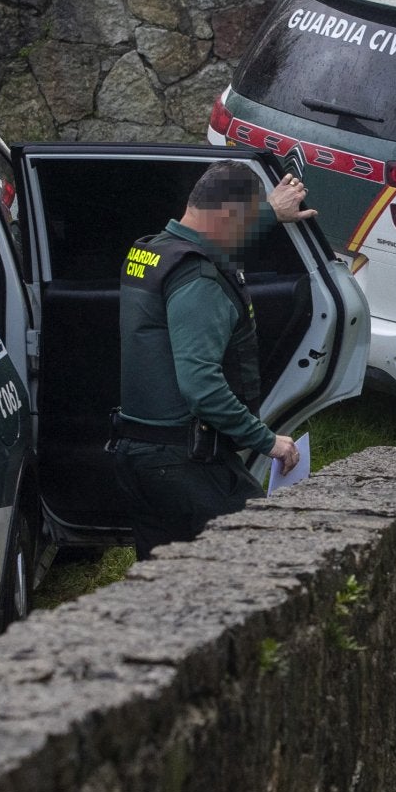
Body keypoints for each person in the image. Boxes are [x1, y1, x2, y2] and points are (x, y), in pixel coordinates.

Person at [110, 160, 315, 560]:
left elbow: (213, 242)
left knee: (162, 584)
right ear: (225, 214)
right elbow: (201, 386)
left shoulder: (151, 252)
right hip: (184, 463)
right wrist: (266, 441)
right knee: (258, 552)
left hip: (140, 457)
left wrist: (268, 214)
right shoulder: (199, 280)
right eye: (243, 222)